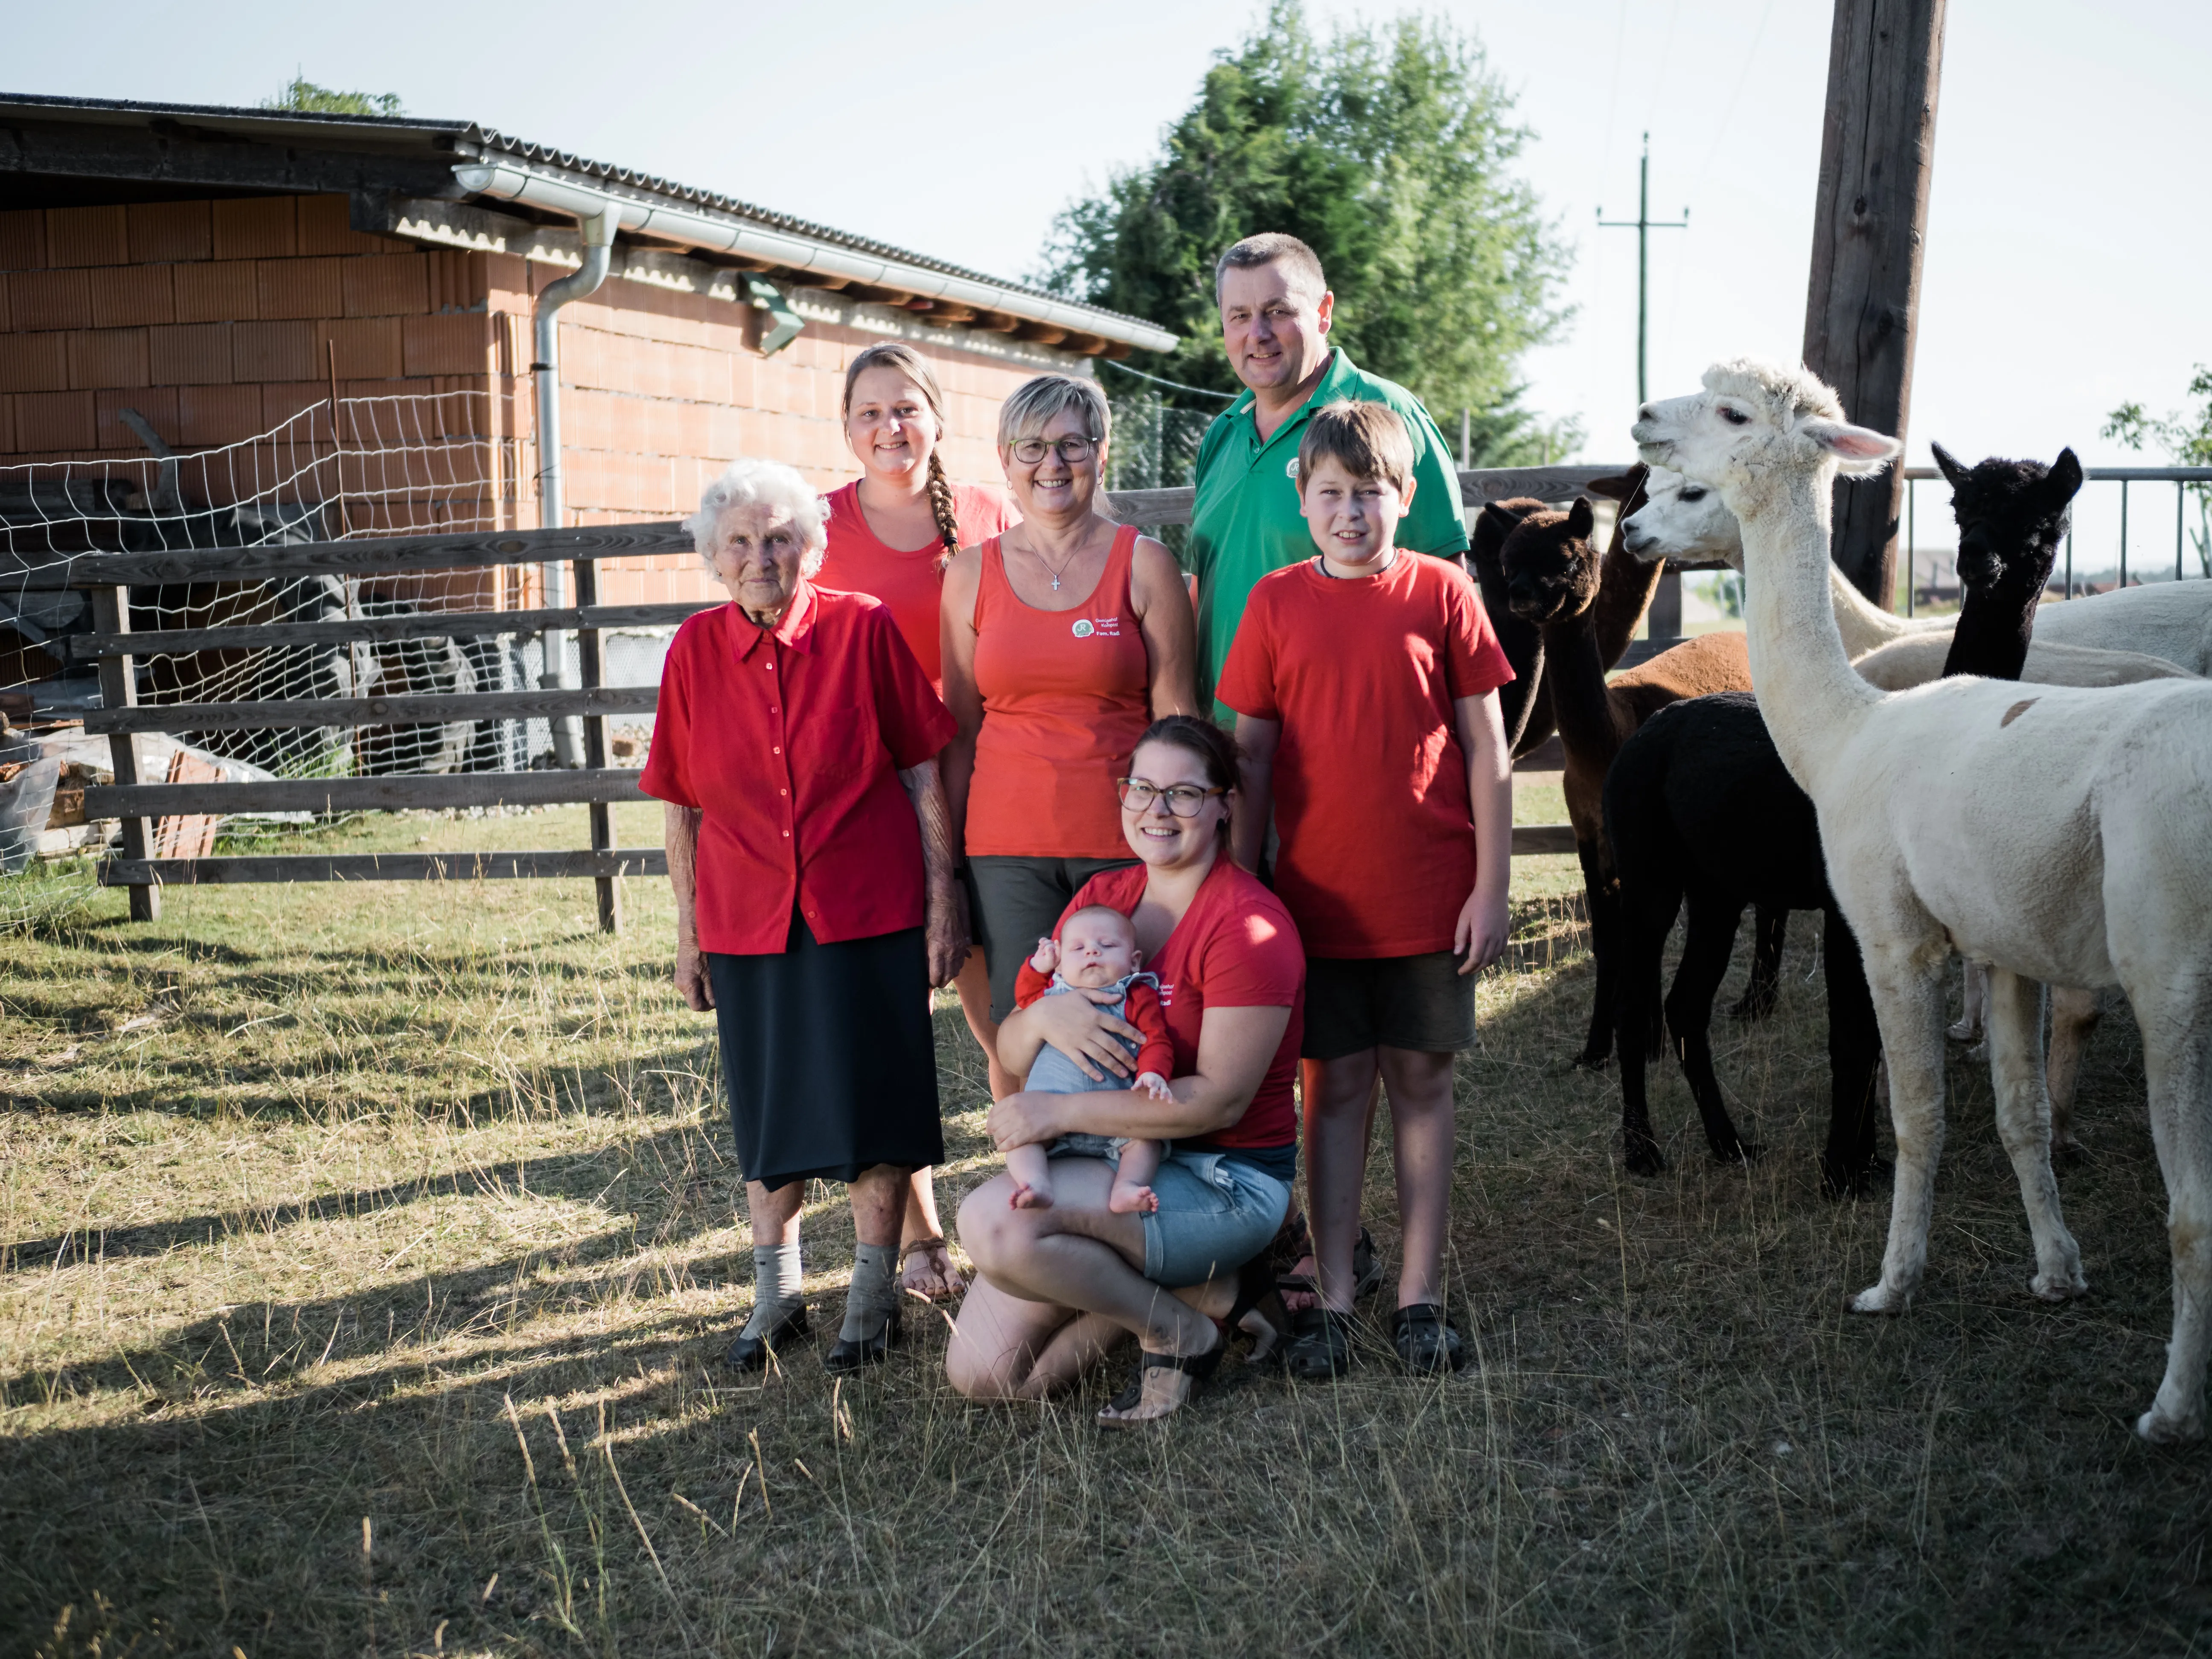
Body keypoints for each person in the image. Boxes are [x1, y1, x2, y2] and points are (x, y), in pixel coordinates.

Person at [643, 457, 966, 1375]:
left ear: (810, 548)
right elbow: (681, 807)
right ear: (714, 558)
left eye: (780, 538)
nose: (761, 557)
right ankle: (778, 1293)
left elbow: (920, 771)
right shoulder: (694, 652)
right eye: (740, 542)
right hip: (749, 919)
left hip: (869, 908)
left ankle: (871, 1298)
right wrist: (689, 932)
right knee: (770, 1109)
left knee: (875, 1101)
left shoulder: (862, 629)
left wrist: (945, 898)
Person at [1217, 400, 1515, 1379]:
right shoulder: (1272, 605)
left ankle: (1422, 1294)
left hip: (1431, 895)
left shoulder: (1441, 593)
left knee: (1421, 1084)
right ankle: (1336, 1296)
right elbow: (1251, 757)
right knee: (1333, 1089)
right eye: (1332, 494)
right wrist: (1247, 892)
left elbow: (1486, 748)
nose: (1352, 512)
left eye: (1371, 492)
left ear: (1406, 496)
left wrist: (1490, 885)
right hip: (1313, 905)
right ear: (1301, 500)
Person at [947, 716, 1303, 1428]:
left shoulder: (1248, 926)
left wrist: (1056, 1115)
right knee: (987, 1374)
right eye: (1140, 788)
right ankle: (1207, 1292)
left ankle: (1178, 1332)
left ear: (1224, 802)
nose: (1155, 810)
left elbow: (1218, 1104)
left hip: (1217, 1178)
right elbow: (1015, 1053)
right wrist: (1044, 1020)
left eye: (1181, 792)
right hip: (1098, 1161)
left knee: (992, 1222)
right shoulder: (1099, 903)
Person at [818, 340, 1020, 1302]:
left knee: (1004, 1019)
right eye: (869, 412)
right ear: (846, 428)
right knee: (894, 1027)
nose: (889, 427)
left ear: (937, 417)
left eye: (906, 408)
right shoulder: (816, 528)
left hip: (984, 789)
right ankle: (922, 1236)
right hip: (868, 802)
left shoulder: (987, 516)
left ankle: (1036, 1209)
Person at [940, 373, 1199, 1042]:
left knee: (1141, 1027)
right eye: (1031, 447)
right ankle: (1030, 1151)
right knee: (1020, 1036)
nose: (1051, 464)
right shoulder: (969, 575)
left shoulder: (1145, 565)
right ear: (1005, 459)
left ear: (1102, 453)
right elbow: (962, 731)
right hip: (1005, 849)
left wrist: (1192, 849)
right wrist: (945, 865)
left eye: (1072, 445)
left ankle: (1136, 1152)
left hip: (1128, 844)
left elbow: (1179, 724)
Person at [1187, 233, 1470, 716]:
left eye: (1278, 311)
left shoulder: (1386, 412)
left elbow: (1448, 592)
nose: (1258, 333)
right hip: (1223, 748)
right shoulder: (1223, 434)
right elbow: (1204, 587)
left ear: (1324, 312)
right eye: (1239, 316)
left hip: (1338, 740)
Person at [1002, 902, 1174, 1215]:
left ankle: (1126, 1187)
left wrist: (1153, 1073)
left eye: (1107, 946)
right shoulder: (1053, 993)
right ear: (1060, 964)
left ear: (1134, 961)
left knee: (1148, 1140)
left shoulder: (1136, 995)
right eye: (1078, 948)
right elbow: (1025, 1001)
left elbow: (1156, 1040)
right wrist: (1036, 969)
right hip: (1048, 1121)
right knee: (1020, 1137)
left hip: (1117, 1119)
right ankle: (1035, 1183)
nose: (1092, 952)